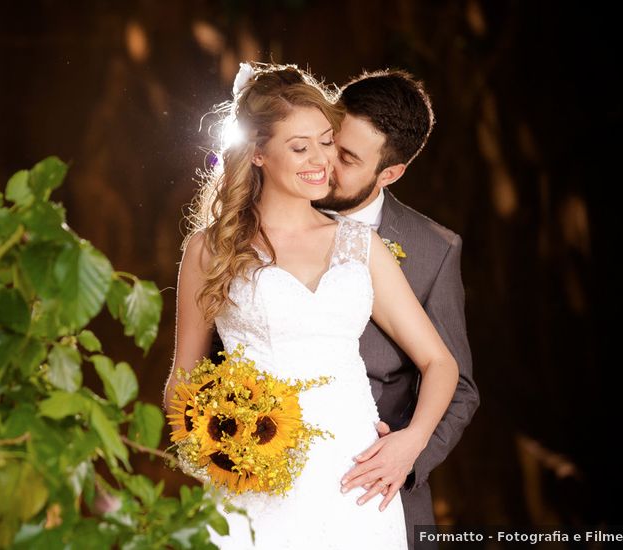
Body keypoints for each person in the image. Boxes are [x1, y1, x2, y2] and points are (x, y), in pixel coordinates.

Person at [163, 62, 458, 549]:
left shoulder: (359, 245)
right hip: (253, 473)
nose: (322, 160)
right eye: (300, 148)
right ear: (257, 153)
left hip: (354, 475)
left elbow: (440, 361)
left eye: (326, 141)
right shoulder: (209, 249)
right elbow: (183, 377)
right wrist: (213, 452)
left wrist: (412, 440)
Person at [311, 69, 480, 550]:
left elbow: (459, 385)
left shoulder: (434, 249)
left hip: (373, 490)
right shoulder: (266, 216)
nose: (325, 163)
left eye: (346, 157)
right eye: (328, 140)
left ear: (390, 173)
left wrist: (407, 453)